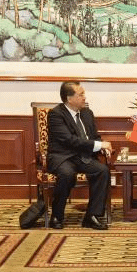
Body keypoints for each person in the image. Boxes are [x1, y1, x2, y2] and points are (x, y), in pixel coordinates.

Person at [46, 80, 112, 230]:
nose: (84, 97)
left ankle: (92, 216)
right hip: (63, 157)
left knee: (102, 171)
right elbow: (69, 140)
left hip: (83, 156)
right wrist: (98, 145)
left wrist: (102, 146)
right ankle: (57, 216)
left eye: (84, 94)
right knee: (67, 174)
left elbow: (94, 136)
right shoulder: (56, 114)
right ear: (69, 99)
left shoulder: (87, 113)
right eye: (81, 94)